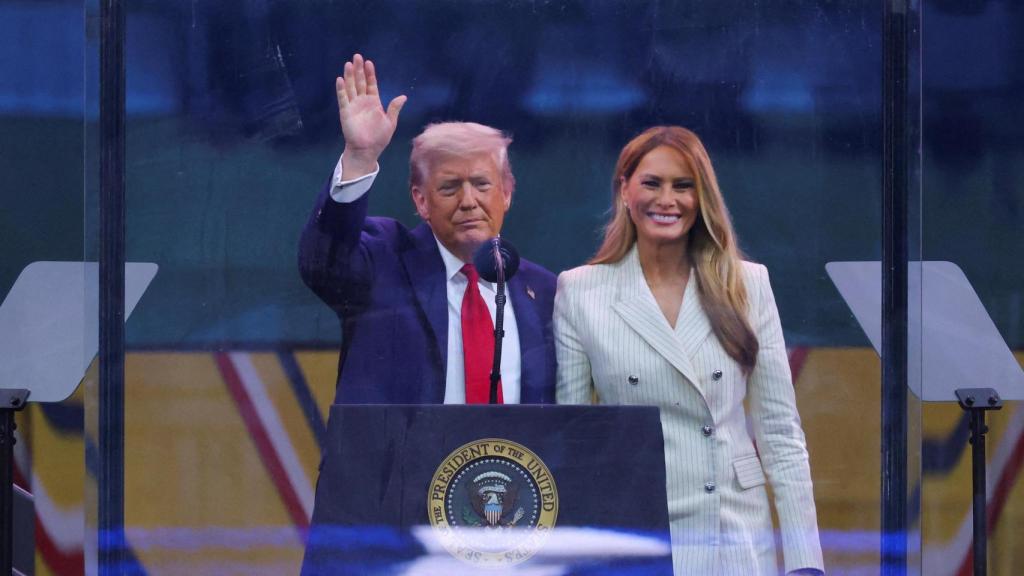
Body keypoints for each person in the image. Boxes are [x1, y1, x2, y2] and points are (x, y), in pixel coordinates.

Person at [554, 126, 824, 575]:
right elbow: (578, 439)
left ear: (702, 198)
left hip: (733, 533)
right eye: (652, 183)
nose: (668, 200)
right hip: (636, 534)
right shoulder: (580, 292)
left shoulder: (747, 284)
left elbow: (781, 433)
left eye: (683, 186)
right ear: (624, 189)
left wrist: (804, 562)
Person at [299, 54, 557, 405]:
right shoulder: (383, 260)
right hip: (400, 461)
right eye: (449, 188)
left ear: (507, 194)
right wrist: (359, 158)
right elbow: (324, 262)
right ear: (421, 202)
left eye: (482, 185)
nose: (468, 201)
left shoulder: (543, 292)